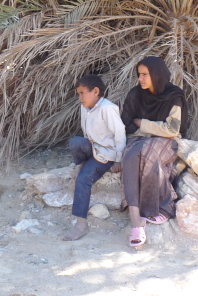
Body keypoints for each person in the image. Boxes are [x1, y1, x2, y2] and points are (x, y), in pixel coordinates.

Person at [121, 56, 188, 247]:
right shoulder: (135, 94)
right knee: (130, 156)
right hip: (138, 139)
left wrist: (142, 123)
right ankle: (136, 220)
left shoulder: (174, 95)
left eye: (145, 75)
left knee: (149, 154)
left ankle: (163, 208)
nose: (140, 79)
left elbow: (172, 130)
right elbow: (126, 124)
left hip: (167, 142)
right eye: (139, 75)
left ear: (156, 75)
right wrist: (146, 129)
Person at [63, 74, 126, 241]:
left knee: (83, 180)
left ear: (96, 91)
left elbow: (119, 133)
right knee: (75, 142)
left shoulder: (107, 108)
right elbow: (86, 132)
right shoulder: (85, 107)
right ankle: (83, 164)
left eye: (83, 93)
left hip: (106, 153)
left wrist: (119, 159)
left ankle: (81, 225)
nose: (80, 97)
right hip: (93, 147)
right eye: (79, 94)